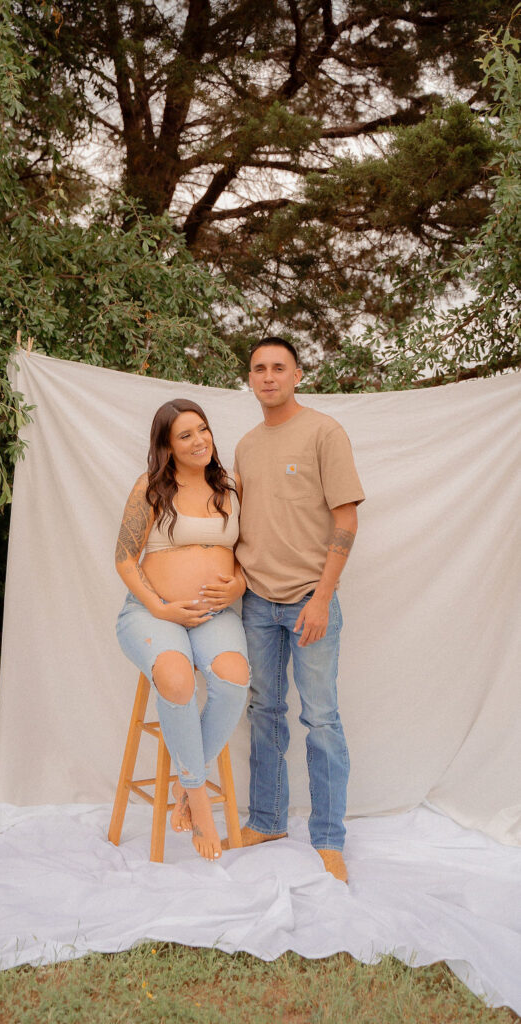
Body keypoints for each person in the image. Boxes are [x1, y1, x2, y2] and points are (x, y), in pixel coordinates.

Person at [204, 337, 365, 882]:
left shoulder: (324, 433)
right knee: (263, 712)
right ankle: (268, 818)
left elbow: (346, 519)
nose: (268, 376)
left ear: (298, 374)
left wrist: (321, 598)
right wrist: (237, 581)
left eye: (279, 367)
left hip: (308, 603)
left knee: (320, 719)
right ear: (249, 379)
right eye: (258, 369)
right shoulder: (246, 445)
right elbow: (240, 524)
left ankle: (328, 838)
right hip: (256, 605)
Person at [115, 398, 250, 862]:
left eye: (203, 430)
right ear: (167, 448)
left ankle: (181, 782)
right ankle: (198, 800)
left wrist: (239, 585)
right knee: (177, 678)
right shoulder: (151, 489)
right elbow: (124, 560)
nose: (200, 441)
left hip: (216, 615)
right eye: (185, 435)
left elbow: (249, 558)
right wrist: (162, 607)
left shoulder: (230, 491)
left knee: (234, 678)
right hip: (153, 613)